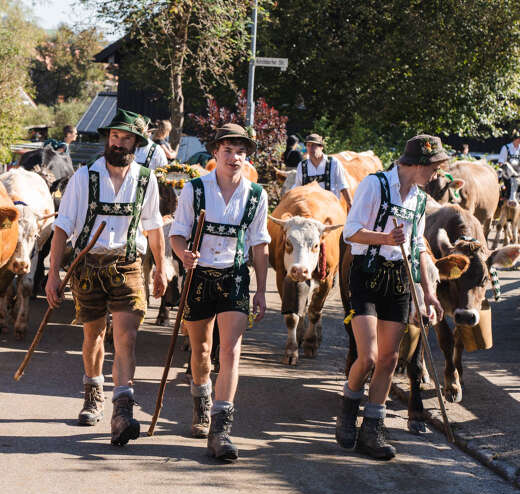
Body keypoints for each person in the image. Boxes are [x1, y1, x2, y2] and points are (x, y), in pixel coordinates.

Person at [46, 108, 167, 446]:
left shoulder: (146, 179)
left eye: (125, 137)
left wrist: (162, 266)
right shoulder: (84, 177)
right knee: (94, 336)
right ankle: (93, 390)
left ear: (136, 143)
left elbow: (154, 227)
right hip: (88, 266)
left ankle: (123, 409)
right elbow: (61, 228)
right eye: (114, 136)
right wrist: (53, 273)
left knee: (126, 336)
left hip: (127, 264)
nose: (117, 142)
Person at [336, 134, 445, 460]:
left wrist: (429, 293)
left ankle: (373, 429)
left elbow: (417, 251)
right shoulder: (374, 185)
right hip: (367, 274)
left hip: (398, 280)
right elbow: (350, 231)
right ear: (419, 165)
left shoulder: (420, 200)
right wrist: (385, 237)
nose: (436, 175)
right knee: (367, 356)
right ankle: (347, 410)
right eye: (435, 168)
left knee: (389, 358)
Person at [169, 123, 270, 461]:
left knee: (230, 351)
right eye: (228, 150)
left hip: (235, 277)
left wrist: (261, 290)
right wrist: (184, 254)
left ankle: (221, 429)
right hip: (199, 277)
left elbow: (259, 244)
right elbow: (178, 233)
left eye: (241, 151)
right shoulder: (194, 189)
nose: (235, 157)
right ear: (215, 152)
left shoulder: (257, 195)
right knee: (201, 352)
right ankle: (202, 399)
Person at [287, 133, 353, 211]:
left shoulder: (333, 163)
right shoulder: (302, 166)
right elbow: (297, 187)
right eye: (308, 145)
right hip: (310, 210)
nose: (311, 148)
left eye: (314, 145)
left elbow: (343, 186)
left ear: (321, 147)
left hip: (331, 209)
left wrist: (352, 207)